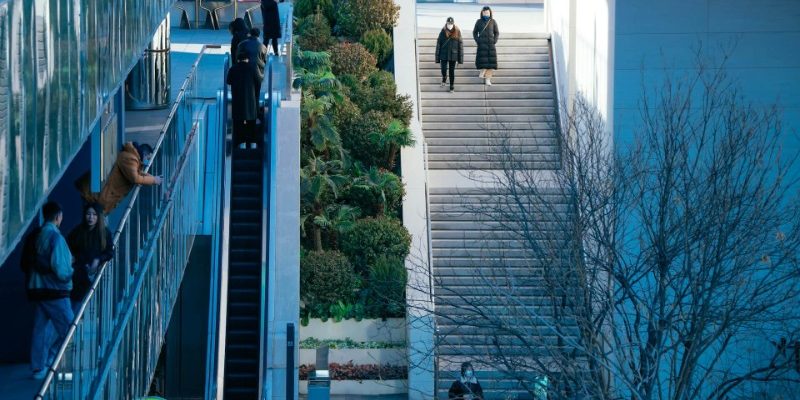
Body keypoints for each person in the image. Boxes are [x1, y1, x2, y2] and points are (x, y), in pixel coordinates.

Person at [28, 201, 74, 380]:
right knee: (70, 332)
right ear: (57, 217)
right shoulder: (56, 238)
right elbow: (61, 270)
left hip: (39, 289)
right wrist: (72, 269)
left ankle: (38, 368)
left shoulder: (38, 236)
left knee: (41, 330)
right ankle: (65, 372)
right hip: (56, 292)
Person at [75, 142, 163, 214]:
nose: (147, 162)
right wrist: (154, 180)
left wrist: (153, 178)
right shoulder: (130, 158)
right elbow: (135, 178)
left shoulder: (132, 158)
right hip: (97, 196)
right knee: (93, 221)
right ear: (144, 153)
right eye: (148, 158)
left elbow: (138, 173)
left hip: (100, 196)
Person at [67, 202, 114, 309]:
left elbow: (110, 252)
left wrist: (98, 260)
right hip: (78, 274)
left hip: (93, 274)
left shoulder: (104, 233)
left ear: (98, 216)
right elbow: (68, 245)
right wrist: (72, 258)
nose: (91, 217)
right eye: (88, 214)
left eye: (94, 214)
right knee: (76, 304)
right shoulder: (78, 231)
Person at [227, 52, 260, 149]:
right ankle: (253, 142)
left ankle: (242, 143)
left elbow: (228, 81)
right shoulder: (253, 68)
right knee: (251, 122)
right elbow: (258, 80)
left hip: (237, 99)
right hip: (251, 99)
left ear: (238, 59)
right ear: (248, 59)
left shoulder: (233, 68)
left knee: (239, 123)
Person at [237, 27, 268, 97]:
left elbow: (237, 58)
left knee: (245, 94)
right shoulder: (263, 47)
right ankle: (256, 105)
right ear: (258, 35)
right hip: (258, 73)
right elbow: (264, 61)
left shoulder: (242, 44)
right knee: (256, 93)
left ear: (249, 34)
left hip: (244, 72)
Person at [435, 16, 464, 93]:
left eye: (451, 23)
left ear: (453, 23)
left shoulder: (457, 31)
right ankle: (444, 77)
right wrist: (437, 58)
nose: (450, 24)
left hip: (453, 54)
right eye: (448, 23)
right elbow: (438, 44)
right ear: (446, 23)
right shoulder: (442, 31)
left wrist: (460, 59)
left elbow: (460, 45)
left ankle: (452, 86)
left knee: (452, 71)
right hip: (444, 54)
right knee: (443, 69)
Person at [473, 6, 499, 86]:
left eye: (487, 12)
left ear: (490, 13)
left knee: (491, 64)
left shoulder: (493, 21)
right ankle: (482, 71)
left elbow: (496, 32)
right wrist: (478, 41)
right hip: (482, 45)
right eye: (484, 12)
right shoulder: (479, 21)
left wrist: (494, 41)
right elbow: (474, 32)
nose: (486, 14)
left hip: (491, 45)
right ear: (482, 13)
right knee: (483, 61)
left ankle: (488, 80)